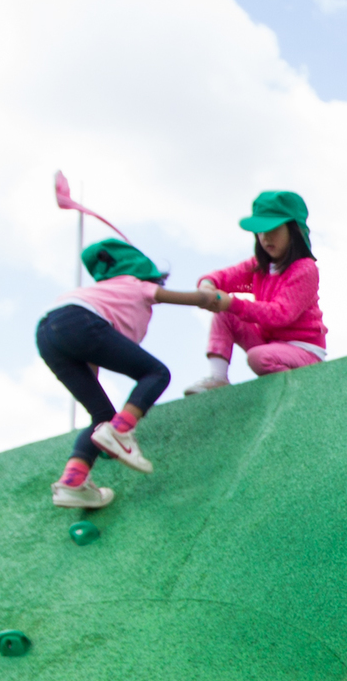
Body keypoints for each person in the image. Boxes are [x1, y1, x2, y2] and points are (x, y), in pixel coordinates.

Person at [35, 237, 228, 511]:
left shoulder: (101, 293)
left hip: (47, 333)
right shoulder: (136, 285)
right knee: (156, 373)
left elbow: (89, 358)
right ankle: (122, 431)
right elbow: (192, 298)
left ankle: (72, 481)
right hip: (80, 321)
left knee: (100, 416)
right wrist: (210, 296)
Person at [187, 189, 327, 394]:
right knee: (225, 314)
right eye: (261, 231)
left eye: (274, 230)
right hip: (269, 343)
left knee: (259, 357)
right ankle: (217, 377)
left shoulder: (304, 269)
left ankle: (296, 388)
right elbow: (225, 277)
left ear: (293, 230)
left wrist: (231, 303)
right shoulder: (259, 267)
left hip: (303, 351)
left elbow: (281, 314)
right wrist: (208, 285)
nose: (266, 238)